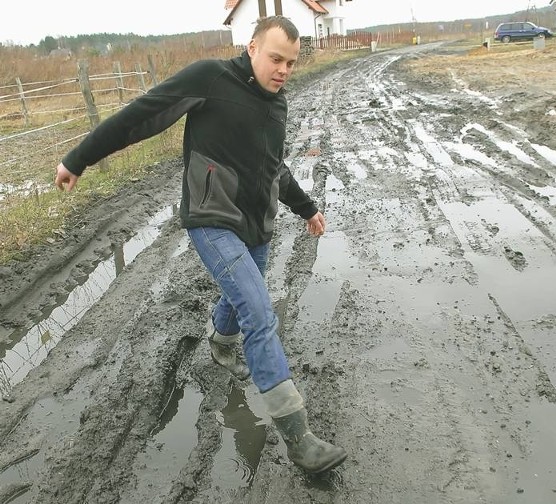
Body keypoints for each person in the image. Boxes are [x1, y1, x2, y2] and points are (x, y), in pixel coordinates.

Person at [54, 15, 347, 474]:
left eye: (291, 62)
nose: (284, 69)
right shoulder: (211, 77)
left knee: (241, 295)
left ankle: (219, 341)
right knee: (259, 309)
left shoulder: (277, 104)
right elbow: (143, 114)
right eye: (275, 58)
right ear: (251, 48)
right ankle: (299, 437)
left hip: (257, 227)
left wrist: (306, 207)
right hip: (211, 220)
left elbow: (274, 168)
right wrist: (79, 157)